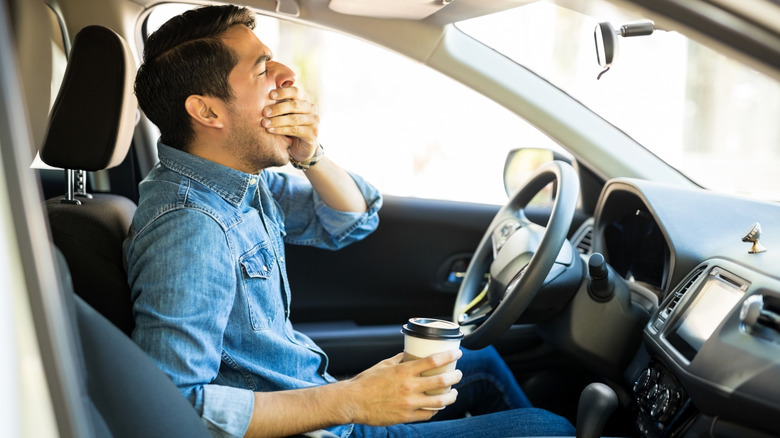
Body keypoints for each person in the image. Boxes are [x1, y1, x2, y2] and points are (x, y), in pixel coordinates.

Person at [125, 4, 576, 438]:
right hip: (319, 424)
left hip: (315, 401)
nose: (287, 74)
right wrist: (352, 400)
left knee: (482, 362)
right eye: (263, 69)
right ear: (207, 112)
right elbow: (175, 406)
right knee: (551, 430)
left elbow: (350, 219)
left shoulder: (238, 183)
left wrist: (310, 155)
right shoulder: (190, 228)